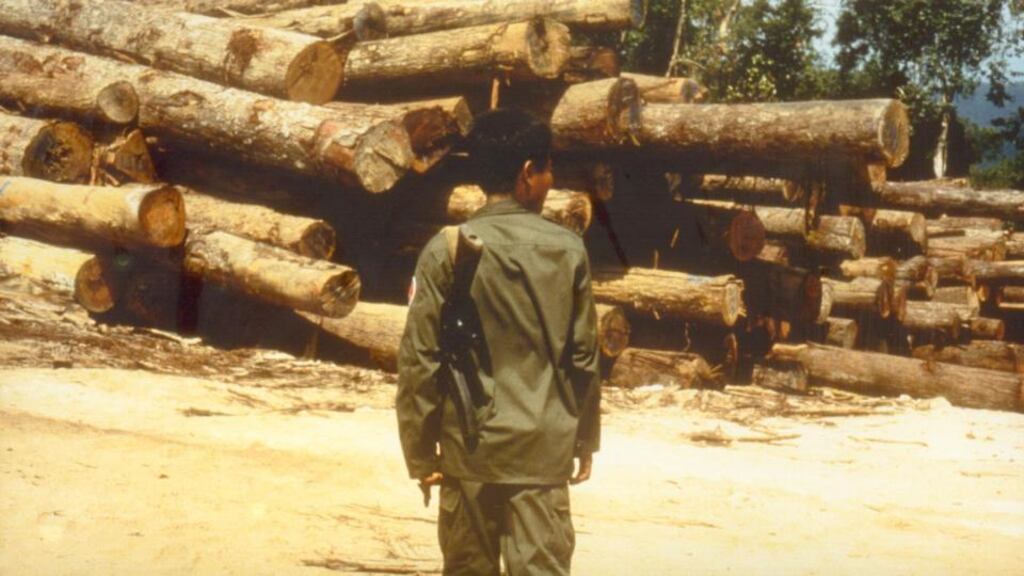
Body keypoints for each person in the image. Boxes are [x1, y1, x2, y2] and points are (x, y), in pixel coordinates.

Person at [396, 109, 601, 576]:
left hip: (470, 453)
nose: (552, 180)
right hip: (542, 456)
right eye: (549, 169)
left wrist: (420, 451)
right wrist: (585, 438)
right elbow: (585, 356)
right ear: (528, 172)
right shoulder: (568, 250)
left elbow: (418, 360)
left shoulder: (446, 248)